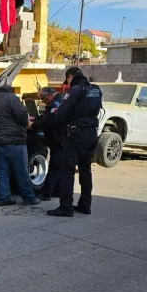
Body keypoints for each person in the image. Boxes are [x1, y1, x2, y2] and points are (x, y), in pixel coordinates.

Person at [46, 69, 102, 217]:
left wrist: (49, 117)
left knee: (67, 170)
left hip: (76, 135)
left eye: (68, 80)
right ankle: (85, 204)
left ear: (71, 77)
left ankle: (66, 207)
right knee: (85, 169)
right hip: (91, 133)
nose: (68, 84)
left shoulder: (76, 90)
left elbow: (61, 113)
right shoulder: (95, 89)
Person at [0, 77, 39, 207]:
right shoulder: (11, 98)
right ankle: (28, 198)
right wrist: (27, 121)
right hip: (15, 141)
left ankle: (3, 198)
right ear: (7, 86)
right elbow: (22, 115)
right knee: (21, 171)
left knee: (2, 171)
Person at [31, 87, 64, 201]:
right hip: (62, 139)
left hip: (58, 139)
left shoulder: (55, 104)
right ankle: (57, 190)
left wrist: (33, 125)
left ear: (49, 95)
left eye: (42, 98)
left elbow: (49, 120)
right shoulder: (61, 100)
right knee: (60, 166)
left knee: (54, 167)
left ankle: (46, 193)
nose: (42, 101)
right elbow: (46, 117)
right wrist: (36, 119)